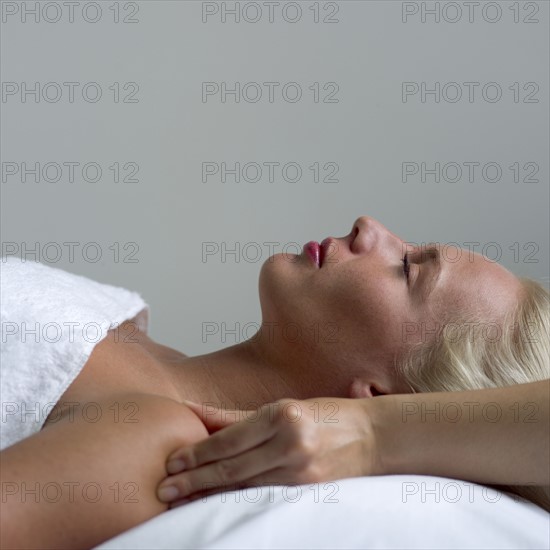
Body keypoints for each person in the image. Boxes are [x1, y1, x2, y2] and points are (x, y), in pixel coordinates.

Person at [1, 216, 548, 549]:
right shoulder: (130, 327)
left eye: (407, 268)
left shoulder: (159, 441)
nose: (368, 228)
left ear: (380, 396)